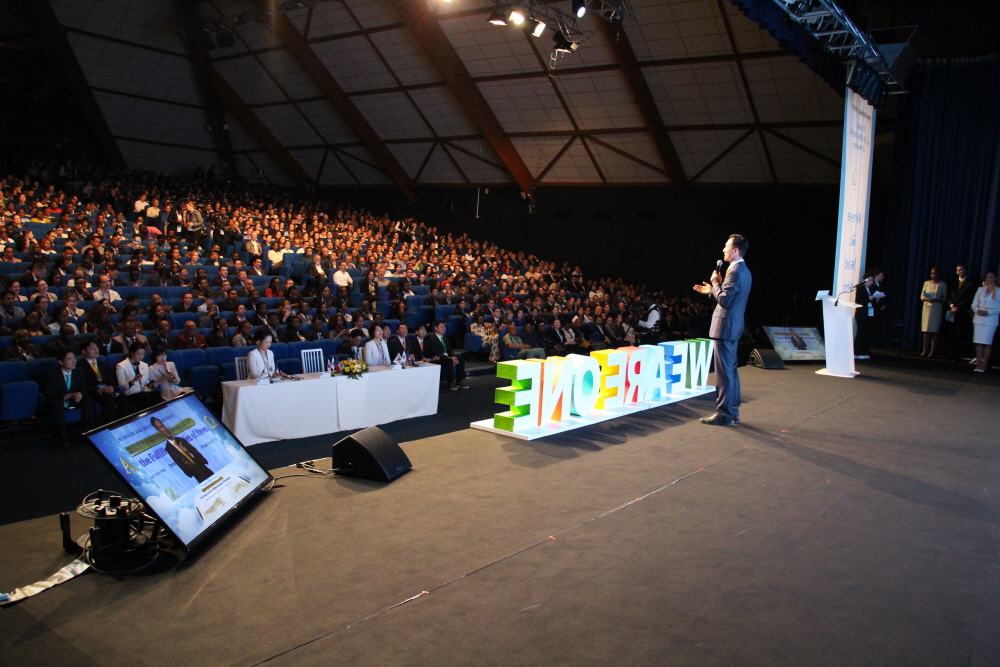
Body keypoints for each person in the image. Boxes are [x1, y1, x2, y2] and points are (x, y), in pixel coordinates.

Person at [693, 234, 751, 426]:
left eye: (726, 247)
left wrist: (716, 284)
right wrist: (712, 291)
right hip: (733, 327)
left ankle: (724, 413)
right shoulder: (744, 270)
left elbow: (725, 300)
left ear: (735, 250)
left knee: (724, 373)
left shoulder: (734, 272)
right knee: (731, 370)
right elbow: (728, 297)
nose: (723, 250)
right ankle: (732, 410)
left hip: (725, 327)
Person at [45, 348, 95, 449]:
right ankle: (63, 436)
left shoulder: (79, 372)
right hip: (60, 400)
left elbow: (84, 388)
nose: (73, 361)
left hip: (75, 399)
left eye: (74, 358)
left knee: (88, 401)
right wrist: (69, 396)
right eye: (69, 359)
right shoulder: (51, 375)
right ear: (60, 362)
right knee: (56, 404)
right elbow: (50, 394)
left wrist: (79, 394)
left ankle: (88, 433)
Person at [150, 417, 213, 483]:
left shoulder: (181, 440)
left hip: (204, 467)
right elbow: (180, 464)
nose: (165, 429)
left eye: (163, 425)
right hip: (197, 474)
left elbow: (195, 452)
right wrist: (190, 467)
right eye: (161, 427)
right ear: (159, 431)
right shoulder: (169, 449)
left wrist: (191, 454)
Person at [80, 340, 119, 426]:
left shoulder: (103, 364)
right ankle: (110, 426)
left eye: (96, 347)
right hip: (93, 392)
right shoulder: (80, 366)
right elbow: (83, 385)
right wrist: (100, 389)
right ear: (84, 351)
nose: (96, 350)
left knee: (123, 397)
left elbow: (110, 379)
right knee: (107, 399)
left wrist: (111, 387)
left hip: (107, 390)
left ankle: (124, 425)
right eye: (92, 348)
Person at [116, 342, 159, 413]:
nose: (141, 356)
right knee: (144, 396)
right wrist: (133, 381)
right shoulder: (121, 366)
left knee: (156, 394)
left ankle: (158, 416)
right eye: (139, 354)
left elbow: (146, 383)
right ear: (132, 353)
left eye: (143, 354)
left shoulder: (144, 365)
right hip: (131, 393)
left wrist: (152, 385)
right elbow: (122, 385)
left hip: (143, 391)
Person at [425, 320, 468, 391]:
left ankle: (459, 381)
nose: (443, 328)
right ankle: (449, 382)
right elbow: (435, 353)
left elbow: (449, 350)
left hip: (447, 357)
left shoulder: (445, 338)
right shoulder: (432, 339)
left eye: (444, 327)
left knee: (460, 358)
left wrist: (454, 357)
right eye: (441, 327)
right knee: (449, 360)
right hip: (438, 358)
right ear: (436, 328)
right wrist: (450, 358)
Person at [971, 271, 998, 373]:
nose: (989, 278)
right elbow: (974, 304)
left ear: (995, 278)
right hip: (978, 318)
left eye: (991, 277)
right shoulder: (980, 289)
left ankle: (984, 364)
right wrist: (978, 310)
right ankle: (978, 363)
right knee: (978, 342)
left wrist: (988, 312)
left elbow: (999, 308)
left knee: (987, 342)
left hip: (991, 319)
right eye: (987, 277)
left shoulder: (999, 291)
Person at [950, 265, 977, 362]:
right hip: (951, 312)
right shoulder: (953, 283)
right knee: (950, 333)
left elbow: (969, 298)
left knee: (960, 334)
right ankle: (950, 354)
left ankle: (958, 354)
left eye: (962, 269)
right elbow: (949, 296)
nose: (960, 271)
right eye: (959, 270)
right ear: (956, 272)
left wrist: (958, 308)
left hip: (962, 312)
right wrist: (952, 306)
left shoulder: (970, 283)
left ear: (966, 271)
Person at [920, 267, 947, 358]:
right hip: (927, 307)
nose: (933, 275)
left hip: (936, 308)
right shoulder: (926, 283)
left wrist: (936, 300)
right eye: (932, 273)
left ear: (939, 274)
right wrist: (927, 299)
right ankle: (924, 350)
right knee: (926, 331)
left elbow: (945, 298)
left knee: (934, 331)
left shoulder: (942, 284)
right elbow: (922, 295)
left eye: (935, 273)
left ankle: (932, 351)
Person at [854, 271, 878, 360]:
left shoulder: (870, 289)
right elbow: (858, 301)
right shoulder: (860, 288)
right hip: (861, 314)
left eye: (872, 281)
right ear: (865, 280)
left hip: (868, 314)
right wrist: (869, 298)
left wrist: (876, 299)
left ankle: (863, 351)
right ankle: (857, 352)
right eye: (870, 280)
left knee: (866, 334)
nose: (871, 282)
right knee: (861, 333)